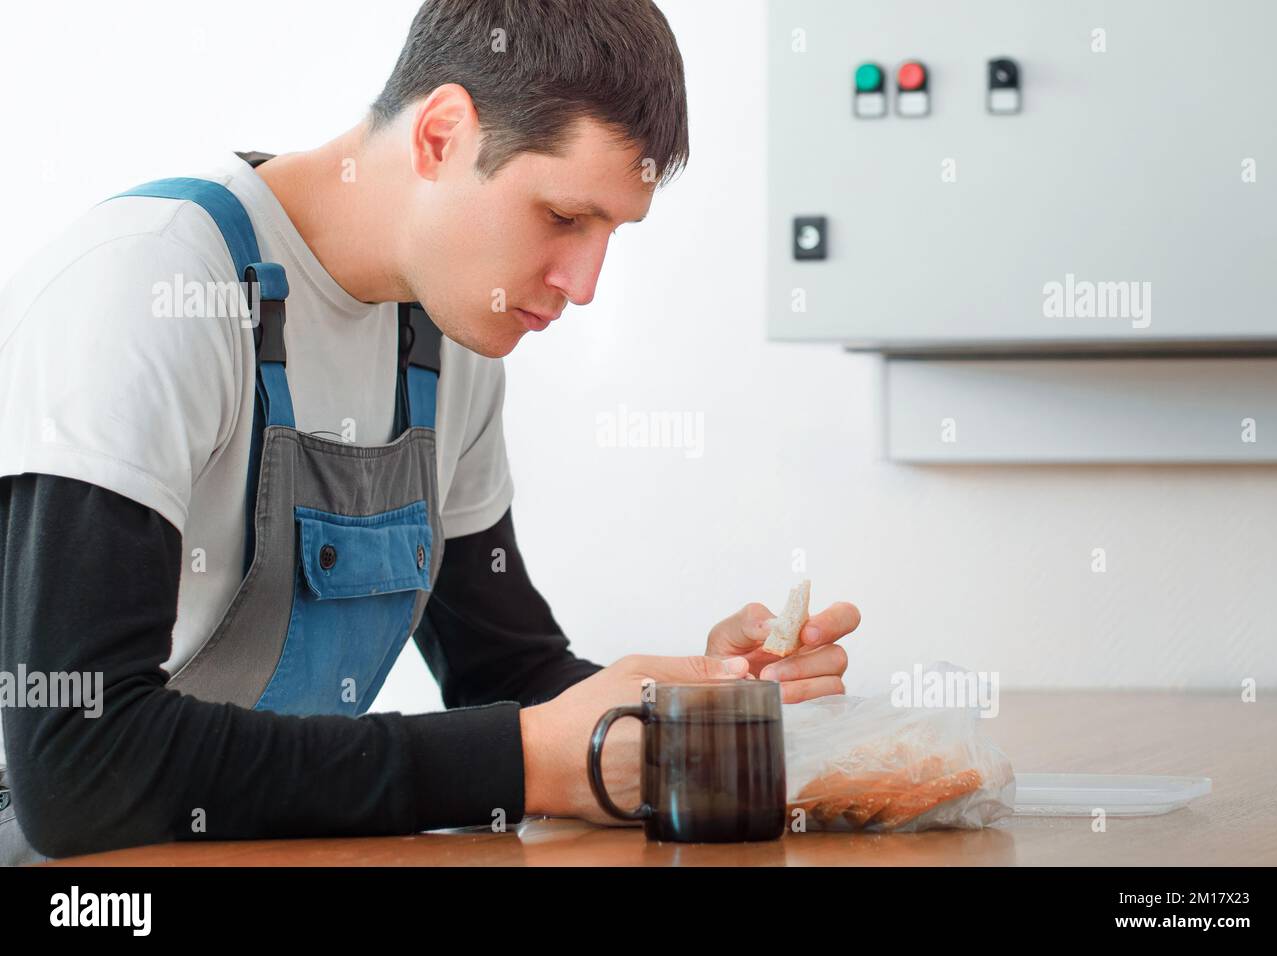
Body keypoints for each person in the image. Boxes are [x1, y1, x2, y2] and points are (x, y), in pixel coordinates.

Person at [0, 0, 859, 865]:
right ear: (442, 134)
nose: (585, 283)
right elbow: (77, 769)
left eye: (610, 233)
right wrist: (522, 763)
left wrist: (686, 711)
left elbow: (506, 676)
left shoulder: (450, 346)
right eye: (563, 217)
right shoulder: (154, 285)